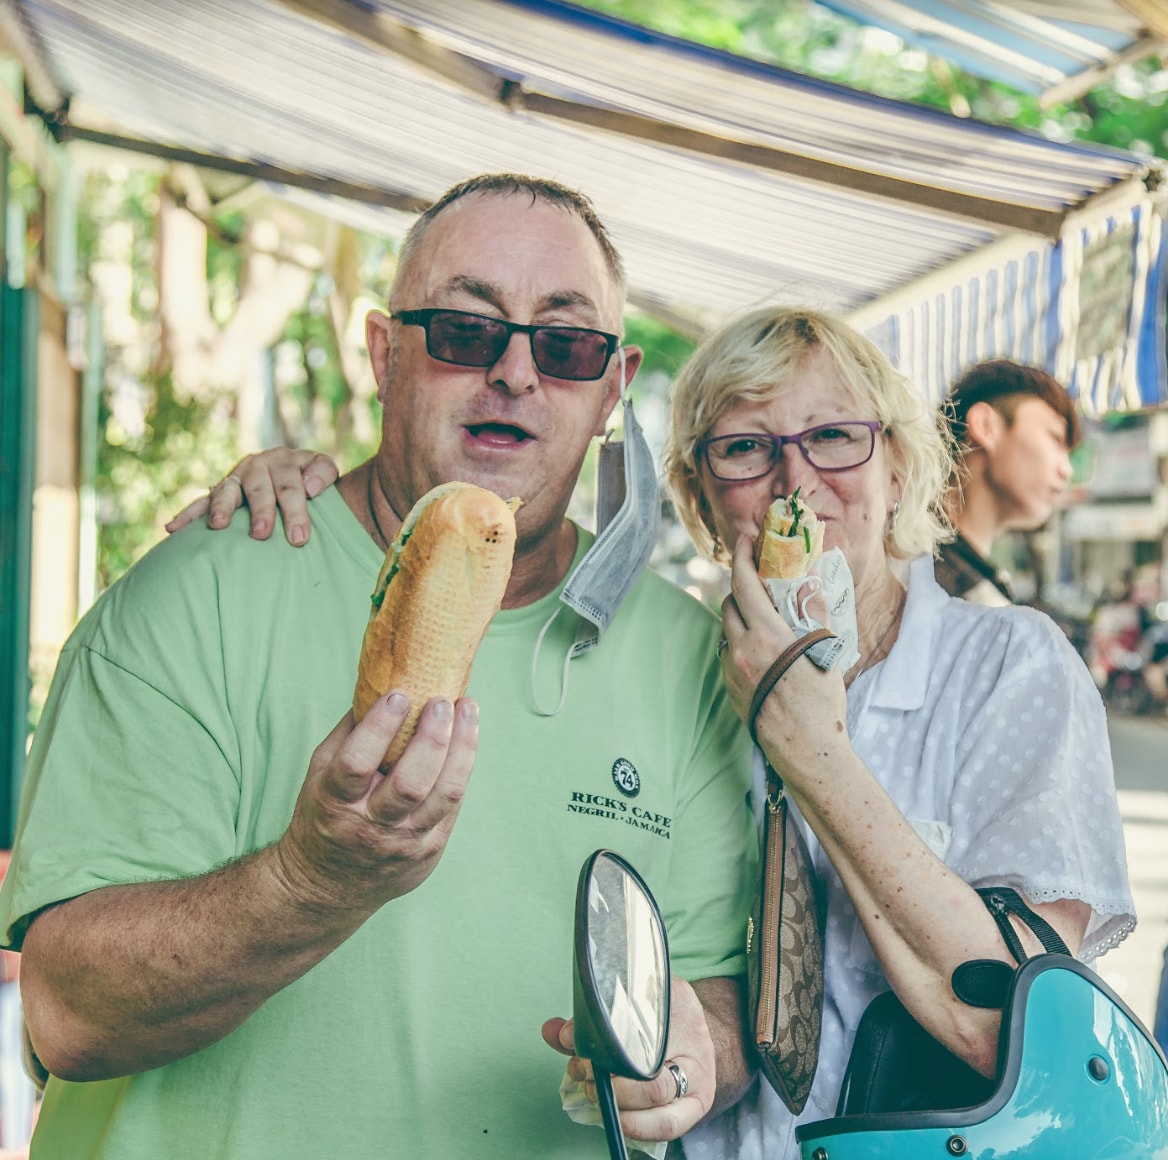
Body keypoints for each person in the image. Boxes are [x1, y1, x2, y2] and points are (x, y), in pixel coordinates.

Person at [205, 306, 1136, 1159]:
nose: (795, 482)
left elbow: (1006, 1024)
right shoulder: (676, 666)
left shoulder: (1009, 669)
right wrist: (320, 490)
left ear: (896, 468)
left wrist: (815, 756)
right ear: (698, 497)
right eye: (745, 449)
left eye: (835, 438)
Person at [0, 174, 759, 1159]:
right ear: (382, 352)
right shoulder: (197, 592)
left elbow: (711, 999)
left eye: (565, 343)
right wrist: (311, 880)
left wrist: (690, 1061)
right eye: (461, 328)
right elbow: (67, 1012)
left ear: (613, 385)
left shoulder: (686, 656)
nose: (516, 373)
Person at [936, 359, 1080, 606]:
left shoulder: (964, 575)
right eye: (1055, 438)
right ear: (985, 425)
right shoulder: (924, 578)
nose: (1067, 470)